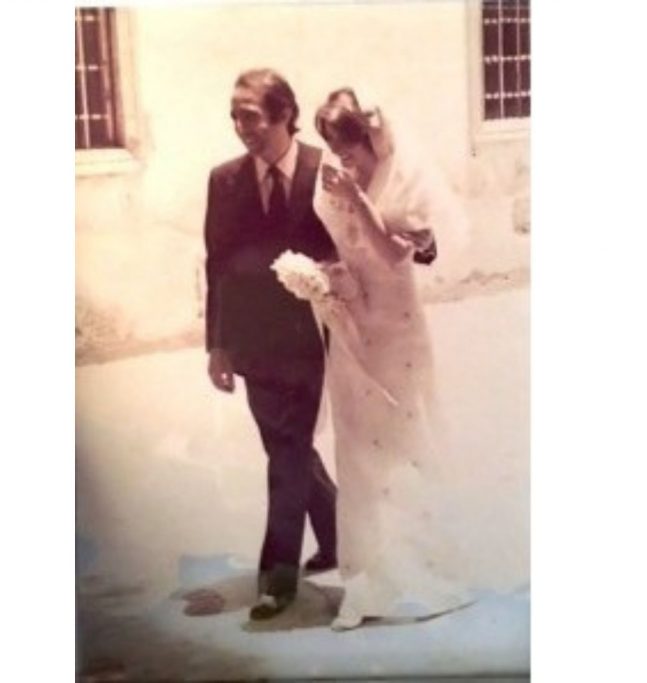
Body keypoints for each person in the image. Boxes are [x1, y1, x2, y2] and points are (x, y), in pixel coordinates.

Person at [305, 90, 474, 630]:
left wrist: (357, 198)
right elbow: (342, 246)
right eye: (334, 150)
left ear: (371, 142)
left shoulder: (402, 183)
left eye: (350, 149)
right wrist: (327, 277)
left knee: (404, 441)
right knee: (358, 448)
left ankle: (423, 569)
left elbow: (394, 253)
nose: (342, 161)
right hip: (355, 324)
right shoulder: (334, 183)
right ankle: (366, 580)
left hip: (398, 331)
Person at [203, 68, 339, 621]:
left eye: (251, 116)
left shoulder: (325, 171)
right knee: (287, 448)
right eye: (234, 116)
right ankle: (336, 534)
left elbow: (347, 251)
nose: (240, 126)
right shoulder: (224, 180)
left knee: (287, 451)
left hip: (313, 339)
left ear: (284, 114)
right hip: (254, 344)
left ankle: (277, 578)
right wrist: (217, 346)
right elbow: (217, 266)